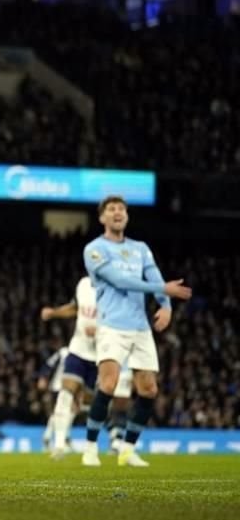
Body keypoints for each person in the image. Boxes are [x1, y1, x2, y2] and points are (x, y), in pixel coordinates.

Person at [81, 196, 192, 467]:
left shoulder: (140, 248)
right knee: (108, 384)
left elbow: (155, 279)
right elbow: (120, 280)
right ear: (102, 218)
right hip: (112, 326)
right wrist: (162, 290)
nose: (117, 213)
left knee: (149, 389)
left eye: (122, 209)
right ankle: (91, 447)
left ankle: (128, 450)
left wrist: (166, 306)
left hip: (140, 327)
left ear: (127, 216)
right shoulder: (94, 249)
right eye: (111, 209)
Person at [40, 277, 98, 459]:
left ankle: (96, 446)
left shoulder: (118, 290)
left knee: (84, 404)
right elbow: (74, 307)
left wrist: (102, 331)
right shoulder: (83, 284)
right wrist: (54, 313)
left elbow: (124, 322)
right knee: (65, 395)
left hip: (100, 355)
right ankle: (58, 445)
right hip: (78, 350)